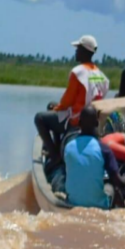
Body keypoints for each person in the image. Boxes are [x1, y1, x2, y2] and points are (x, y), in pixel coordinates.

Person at [35, 35, 109, 172]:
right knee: (53, 106)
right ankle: (57, 147)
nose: (76, 52)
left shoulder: (78, 72)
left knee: (39, 118)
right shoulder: (102, 76)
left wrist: (56, 108)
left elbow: (66, 102)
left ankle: (54, 155)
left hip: (75, 120)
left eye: (78, 49)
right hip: (91, 118)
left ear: (85, 51)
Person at [63, 107, 125, 210]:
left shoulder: (68, 147)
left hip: (72, 203)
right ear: (97, 124)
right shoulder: (104, 149)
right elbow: (119, 182)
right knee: (113, 188)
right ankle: (116, 211)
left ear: (79, 123)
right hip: (98, 207)